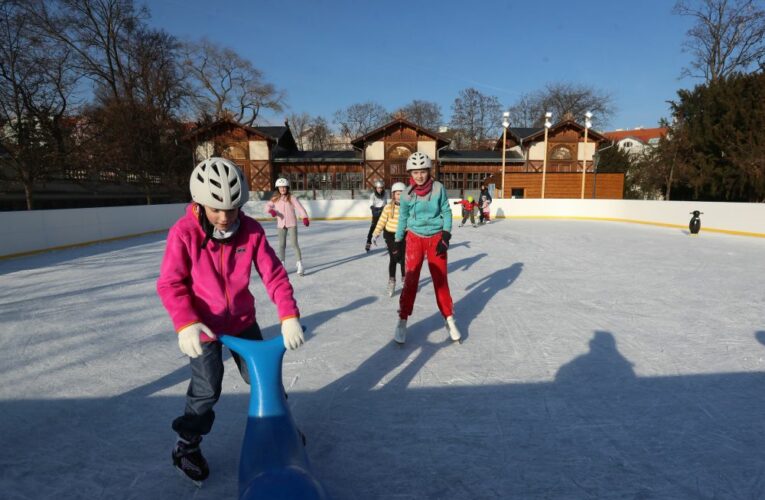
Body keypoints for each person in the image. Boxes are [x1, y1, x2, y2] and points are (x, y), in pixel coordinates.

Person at [157, 158, 305, 485]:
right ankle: (186, 445)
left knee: (263, 377)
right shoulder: (184, 234)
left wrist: (289, 314)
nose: (225, 217)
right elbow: (170, 283)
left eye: (233, 209)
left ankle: (282, 427)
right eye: (216, 209)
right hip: (203, 326)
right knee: (207, 387)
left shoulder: (250, 231)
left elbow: (275, 275)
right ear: (199, 203)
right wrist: (185, 323)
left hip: (240, 320)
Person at [393, 152, 461, 344]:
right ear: (410, 173)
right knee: (411, 281)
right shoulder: (406, 194)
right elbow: (403, 219)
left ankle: (449, 318)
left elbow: (446, 212)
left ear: (428, 171)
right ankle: (402, 319)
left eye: (422, 171)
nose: (419, 176)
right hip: (414, 238)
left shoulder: (439, 188)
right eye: (415, 172)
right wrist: (398, 241)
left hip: (436, 238)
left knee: (440, 280)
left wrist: (446, 235)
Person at [265, 178, 310, 276]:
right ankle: (281, 265)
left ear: (287, 188)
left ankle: (300, 264)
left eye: (284, 187)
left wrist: (304, 217)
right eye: (280, 188)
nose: (282, 189)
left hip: (292, 224)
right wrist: (271, 211)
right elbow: (267, 206)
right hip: (281, 224)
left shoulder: (292, 198)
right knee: (281, 245)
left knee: (294, 244)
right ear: (278, 189)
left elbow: (300, 208)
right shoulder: (275, 199)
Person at [371, 182, 406, 297]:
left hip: (404, 236)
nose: (399, 196)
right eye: (397, 194)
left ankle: (405, 279)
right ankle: (392, 281)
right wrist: (376, 234)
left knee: (403, 259)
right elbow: (381, 221)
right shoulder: (387, 207)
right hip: (390, 236)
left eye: (401, 194)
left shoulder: (408, 207)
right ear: (393, 195)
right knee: (394, 257)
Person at [366, 179, 388, 252]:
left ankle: (387, 242)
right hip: (375, 212)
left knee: (386, 228)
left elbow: (385, 203)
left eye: (381, 188)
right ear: (376, 188)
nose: (380, 189)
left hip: (383, 212)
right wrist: (373, 208)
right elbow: (370, 203)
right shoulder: (373, 195)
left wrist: (384, 207)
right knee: (373, 227)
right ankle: (368, 242)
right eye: (378, 188)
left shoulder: (385, 194)